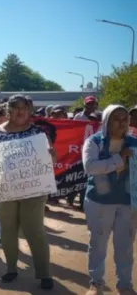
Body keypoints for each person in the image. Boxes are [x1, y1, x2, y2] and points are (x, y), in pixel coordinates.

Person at [0, 94, 55, 290]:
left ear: (30, 111)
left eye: (25, 108)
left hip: (34, 190)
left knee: (35, 230)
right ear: (9, 111)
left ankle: (44, 273)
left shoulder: (38, 135)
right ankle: (11, 268)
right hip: (4, 189)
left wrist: (51, 157)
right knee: (8, 230)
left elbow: (50, 162)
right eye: (16, 108)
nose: (21, 111)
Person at [82, 105, 137, 295]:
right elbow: (90, 167)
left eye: (125, 119)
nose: (122, 122)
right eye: (116, 118)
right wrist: (119, 159)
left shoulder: (134, 142)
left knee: (125, 246)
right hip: (99, 202)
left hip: (127, 202)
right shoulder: (94, 142)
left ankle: (125, 284)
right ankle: (96, 283)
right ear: (106, 121)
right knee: (97, 244)